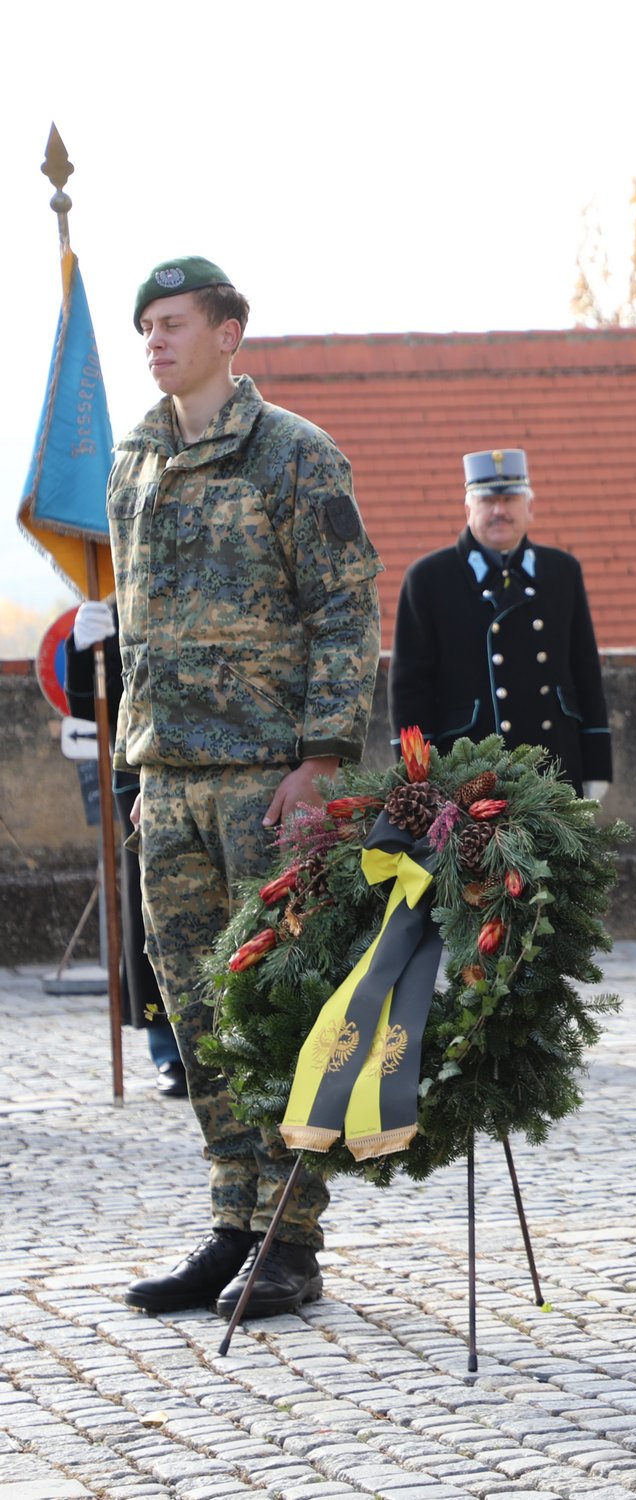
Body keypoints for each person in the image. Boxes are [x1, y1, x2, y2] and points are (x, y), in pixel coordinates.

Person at [110, 256, 382, 1320]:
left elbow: (345, 613)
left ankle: (291, 1236)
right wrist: (140, 765)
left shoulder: (295, 458)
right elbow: (138, 631)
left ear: (229, 332)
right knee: (198, 1017)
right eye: (145, 327)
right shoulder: (135, 459)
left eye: (173, 323)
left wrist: (320, 757)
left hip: (268, 786)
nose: (154, 341)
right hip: (168, 783)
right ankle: (233, 1220)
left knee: (277, 1009)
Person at [390, 449, 611, 798]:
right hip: (464, 771)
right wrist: (416, 773)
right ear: (468, 510)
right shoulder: (429, 578)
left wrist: (598, 763)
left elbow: (585, 669)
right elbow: (409, 687)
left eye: (510, 499)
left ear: (530, 508)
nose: (499, 511)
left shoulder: (561, 571)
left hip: (555, 762)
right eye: (487, 500)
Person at [65, 601, 183, 1096]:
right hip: (142, 784)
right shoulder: (119, 605)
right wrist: (79, 650)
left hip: (223, 772)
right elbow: (88, 707)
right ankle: (169, 1052)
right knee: (151, 926)